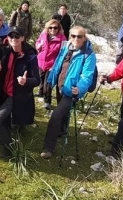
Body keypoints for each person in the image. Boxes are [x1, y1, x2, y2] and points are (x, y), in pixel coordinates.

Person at [40, 26, 97, 159]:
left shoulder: (89, 54)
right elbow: (58, 64)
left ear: (84, 38)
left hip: (72, 91)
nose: (76, 39)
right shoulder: (65, 47)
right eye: (73, 36)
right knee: (63, 112)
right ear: (69, 36)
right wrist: (51, 79)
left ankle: (48, 148)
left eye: (79, 36)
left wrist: (80, 88)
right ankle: (62, 130)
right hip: (61, 86)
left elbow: (87, 75)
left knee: (56, 116)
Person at [0, 25, 41, 158]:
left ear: (23, 38)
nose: (14, 39)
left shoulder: (30, 56)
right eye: (11, 36)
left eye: (17, 36)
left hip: (17, 95)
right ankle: (6, 147)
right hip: (4, 92)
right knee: (5, 122)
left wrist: (26, 81)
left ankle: (10, 147)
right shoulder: (6, 52)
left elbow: (37, 80)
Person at [35, 19, 67, 110]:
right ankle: (41, 93)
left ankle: (47, 101)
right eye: (50, 28)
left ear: (58, 28)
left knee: (48, 84)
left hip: (52, 64)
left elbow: (63, 53)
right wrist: (38, 46)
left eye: (55, 28)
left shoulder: (62, 38)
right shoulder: (43, 35)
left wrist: (56, 65)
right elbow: (37, 42)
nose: (53, 30)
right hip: (41, 61)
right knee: (40, 80)